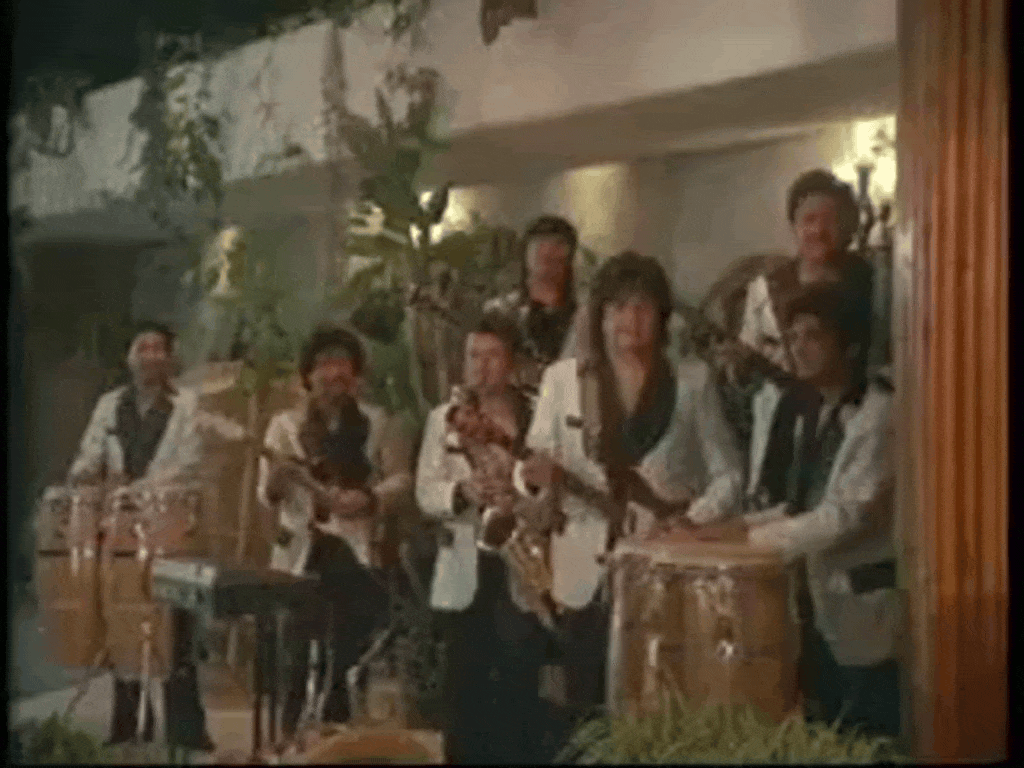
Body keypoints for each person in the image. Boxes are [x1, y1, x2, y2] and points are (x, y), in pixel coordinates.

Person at [513, 252, 745, 736]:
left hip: (666, 568)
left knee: (661, 707)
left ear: (661, 316)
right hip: (581, 573)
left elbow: (729, 475)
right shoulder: (564, 381)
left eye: (642, 307)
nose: (630, 320)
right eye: (618, 307)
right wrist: (534, 482)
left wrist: (691, 521)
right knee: (582, 714)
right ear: (600, 315)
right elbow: (530, 465)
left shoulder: (693, 381)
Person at [698, 283, 900, 737]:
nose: (798, 349)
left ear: (849, 344)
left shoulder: (879, 413)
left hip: (865, 612)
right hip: (816, 612)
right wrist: (732, 527)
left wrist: (752, 543)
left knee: (869, 737)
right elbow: (800, 503)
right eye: (792, 337)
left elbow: (846, 515)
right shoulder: (816, 408)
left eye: (813, 336)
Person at [257, 325, 414, 736]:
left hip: (356, 555)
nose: (334, 373)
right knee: (293, 659)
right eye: (324, 364)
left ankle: (340, 737)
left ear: (356, 374)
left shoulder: (377, 423)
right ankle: (288, 740)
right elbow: (267, 496)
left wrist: (370, 498)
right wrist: (278, 476)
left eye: (343, 364)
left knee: (347, 658)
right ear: (308, 375)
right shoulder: (284, 426)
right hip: (300, 556)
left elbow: (401, 480)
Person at [67, 322, 212, 752]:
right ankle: (127, 725)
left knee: (176, 624)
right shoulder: (110, 404)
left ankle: (187, 730)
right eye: (142, 348)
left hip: (170, 525)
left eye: (158, 348)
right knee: (122, 618)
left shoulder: (188, 404)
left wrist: (139, 489)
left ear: (170, 358)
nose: (150, 355)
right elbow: (90, 453)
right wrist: (84, 474)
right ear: (129, 357)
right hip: (119, 529)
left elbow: (190, 462)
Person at [415, 313, 550, 764]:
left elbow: (555, 477)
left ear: (512, 362)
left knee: (519, 678)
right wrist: (463, 493)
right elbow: (425, 491)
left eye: (493, 356)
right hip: (466, 560)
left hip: (526, 561)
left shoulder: (537, 412)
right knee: (464, 685)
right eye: (474, 356)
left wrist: (521, 496)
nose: (482, 367)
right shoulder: (444, 419)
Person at [736, 169, 873, 376]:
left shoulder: (871, 283)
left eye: (830, 220)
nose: (819, 231)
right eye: (809, 220)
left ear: (847, 227)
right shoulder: (764, 292)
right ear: (794, 226)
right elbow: (749, 360)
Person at [484, 215, 585, 390]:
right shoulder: (499, 313)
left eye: (558, 244)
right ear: (525, 254)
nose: (548, 250)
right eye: (540, 244)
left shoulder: (584, 318)